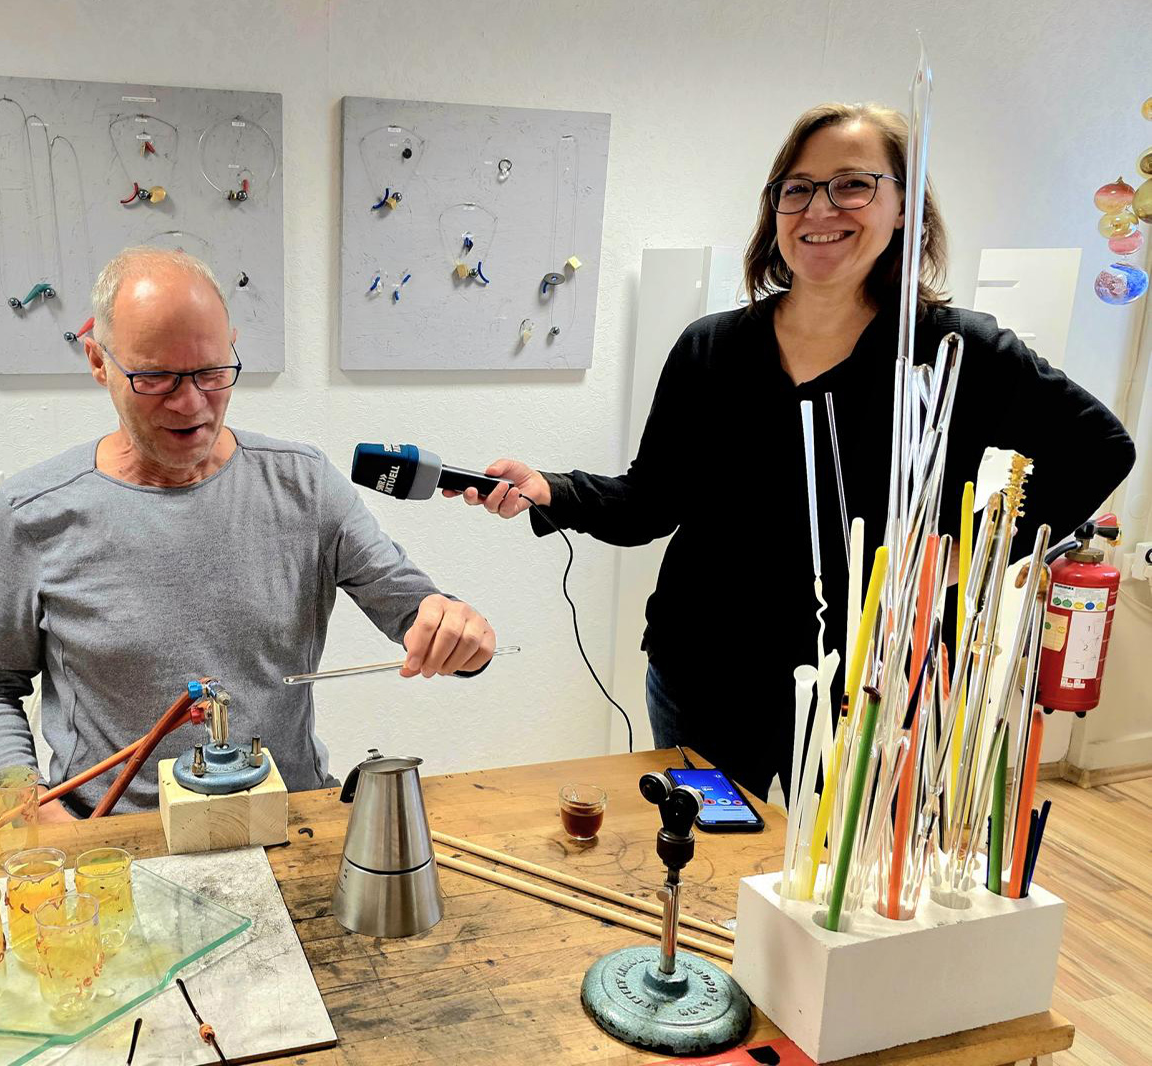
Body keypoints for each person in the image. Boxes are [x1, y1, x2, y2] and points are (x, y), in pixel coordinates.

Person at [449, 102, 1135, 801]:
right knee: (706, 856)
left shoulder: (958, 352)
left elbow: (1100, 448)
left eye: (853, 184)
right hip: (705, 674)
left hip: (873, 682)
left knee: (840, 872)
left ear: (904, 206)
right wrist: (553, 490)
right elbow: (651, 502)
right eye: (797, 188)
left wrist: (971, 553)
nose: (819, 208)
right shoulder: (711, 349)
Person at [0, 247, 495, 818]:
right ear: (98, 362)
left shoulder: (305, 484)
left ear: (232, 347)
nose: (191, 404)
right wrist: (25, 800)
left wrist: (458, 631)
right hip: (113, 839)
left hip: (288, 819)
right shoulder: (32, 512)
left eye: (211, 372)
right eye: (156, 377)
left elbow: (419, 612)